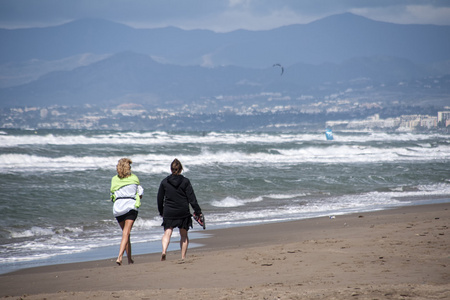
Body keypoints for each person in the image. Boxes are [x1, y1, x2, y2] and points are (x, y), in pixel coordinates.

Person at [157, 158, 202, 261]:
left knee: (167, 232)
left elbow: (159, 199)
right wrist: (197, 211)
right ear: (181, 169)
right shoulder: (185, 181)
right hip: (183, 211)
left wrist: (161, 211)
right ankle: (182, 257)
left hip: (169, 211)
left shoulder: (164, 182)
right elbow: (192, 198)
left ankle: (164, 251)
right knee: (184, 235)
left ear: (171, 169)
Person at [110, 158, 143, 265]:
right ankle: (119, 257)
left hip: (118, 208)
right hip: (130, 207)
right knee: (126, 233)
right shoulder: (134, 178)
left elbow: (112, 195)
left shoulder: (114, 179)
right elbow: (140, 193)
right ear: (128, 167)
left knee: (126, 234)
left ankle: (129, 259)